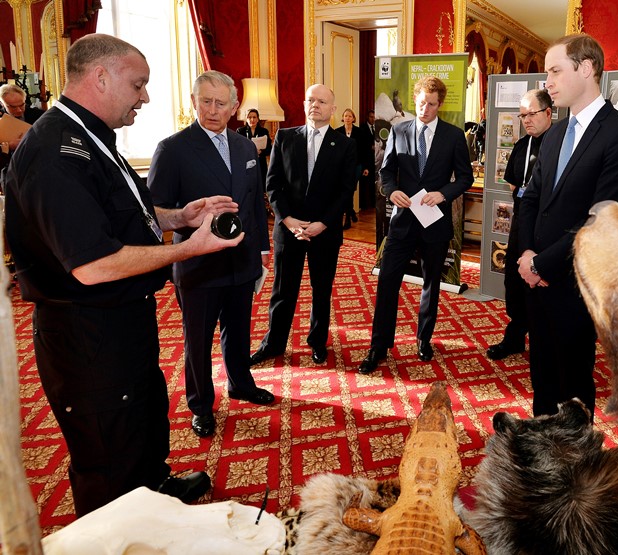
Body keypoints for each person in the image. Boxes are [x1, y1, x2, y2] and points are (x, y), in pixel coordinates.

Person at [3, 33, 244, 516]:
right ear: (100, 77)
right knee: (108, 450)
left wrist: (178, 216)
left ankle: (153, 490)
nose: (146, 97)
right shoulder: (55, 152)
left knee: (142, 421)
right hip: (87, 335)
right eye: (138, 85)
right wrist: (187, 249)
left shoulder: (88, 135)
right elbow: (93, 264)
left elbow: (118, 214)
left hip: (121, 319)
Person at [517, 34, 618, 418]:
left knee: (572, 384)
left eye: (555, 71)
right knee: (542, 377)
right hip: (536, 278)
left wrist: (542, 265)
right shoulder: (555, 133)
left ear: (586, 68)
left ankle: (573, 454)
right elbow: (531, 199)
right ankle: (541, 445)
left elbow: (601, 219)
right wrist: (527, 255)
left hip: (575, 282)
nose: (548, 82)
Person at [148, 71, 273, 439]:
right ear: (194, 101)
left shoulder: (246, 147)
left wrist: (262, 251)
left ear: (234, 107)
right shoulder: (172, 149)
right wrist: (186, 215)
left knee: (238, 329)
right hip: (198, 263)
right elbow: (153, 210)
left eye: (221, 103)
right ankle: (201, 404)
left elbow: (254, 202)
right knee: (198, 339)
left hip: (242, 260)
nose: (213, 110)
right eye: (206, 101)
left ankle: (241, 384)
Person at [358, 76, 474, 375]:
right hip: (403, 222)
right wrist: (391, 190)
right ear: (415, 100)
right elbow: (386, 171)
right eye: (421, 103)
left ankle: (424, 338)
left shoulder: (453, 136)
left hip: (435, 222)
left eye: (431, 104)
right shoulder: (399, 130)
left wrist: (444, 194)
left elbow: (465, 178)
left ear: (440, 104)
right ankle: (378, 345)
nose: (425, 109)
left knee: (431, 284)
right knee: (387, 282)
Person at [249, 84, 357, 366]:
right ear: (304, 104)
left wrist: (323, 223)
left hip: (325, 231)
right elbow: (273, 184)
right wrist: (286, 219)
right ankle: (273, 343)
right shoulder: (285, 137)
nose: (315, 105)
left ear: (333, 109)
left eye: (321, 101)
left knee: (321, 290)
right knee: (283, 290)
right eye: (310, 100)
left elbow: (345, 190)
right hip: (289, 229)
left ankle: (317, 341)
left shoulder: (345, 144)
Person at [487, 89, 552, 361]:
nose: (526, 120)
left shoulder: (558, 144)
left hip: (546, 225)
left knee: (540, 282)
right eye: (522, 115)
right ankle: (515, 337)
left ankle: (542, 343)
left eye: (531, 114)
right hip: (521, 220)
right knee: (514, 279)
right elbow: (514, 182)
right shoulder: (522, 145)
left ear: (548, 112)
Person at [0, 83, 45, 172]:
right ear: (2, 104)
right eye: (13, 107)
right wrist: (8, 147)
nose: (19, 110)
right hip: (10, 169)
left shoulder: (40, 115)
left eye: (21, 105)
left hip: (38, 165)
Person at [335, 108, 366, 229]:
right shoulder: (337, 132)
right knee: (345, 190)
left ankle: (347, 218)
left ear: (353, 118)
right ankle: (351, 212)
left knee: (350, 190)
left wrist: (365, 167)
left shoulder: (360, 132)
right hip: (341, 167)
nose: (347, 118)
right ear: (343, 118)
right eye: (345, 116)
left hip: (356, 166)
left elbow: (364, 151)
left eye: (350, 116)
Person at [236, 108, 271, 185]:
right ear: (246, 119)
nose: (252, 119)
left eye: (254, 117)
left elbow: (269, 149)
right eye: (250, 117)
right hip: (246, 164)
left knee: (261, 186)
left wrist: (261, 152)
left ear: (258, 119)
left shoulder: (264, 131)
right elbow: (237, 149)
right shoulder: (240, 131)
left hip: (260, 164)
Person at [359, 109, 377, 209]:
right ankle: (364, 205)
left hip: (376, 160)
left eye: (374, 117)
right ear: (367, 117)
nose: (373, 119)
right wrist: (370, 147)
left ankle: (373, 204)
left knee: (374, 183)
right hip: (366, 159)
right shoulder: (362, 128)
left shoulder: (378, 127)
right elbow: (360, 144)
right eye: (371, 117)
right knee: (365, 183)